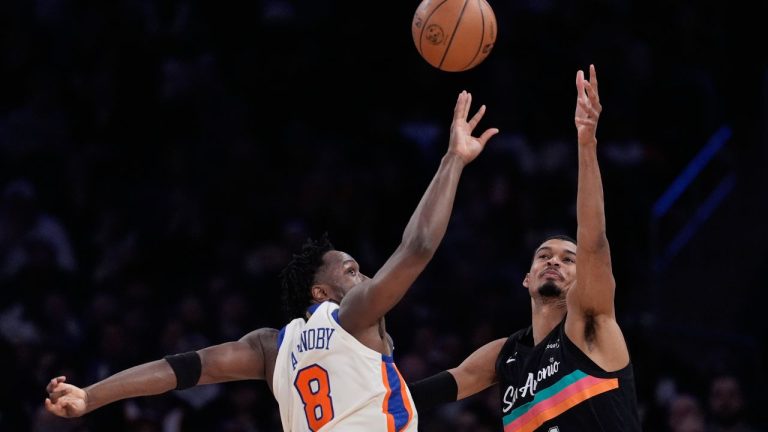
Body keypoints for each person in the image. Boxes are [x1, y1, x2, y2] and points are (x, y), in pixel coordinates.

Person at [43, 90, 499, 431]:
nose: (366, 276)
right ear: (321, 293)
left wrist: (90, 396)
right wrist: (453, 160)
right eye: (352, 270)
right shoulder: (354, 316)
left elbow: (180, 369)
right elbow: (417, 246)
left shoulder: (271, 347)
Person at [409, 65, 642, 431]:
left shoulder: (591, 325)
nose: (554, 261)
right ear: (526, 279)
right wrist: (368, 403)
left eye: (569, 260)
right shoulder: (507, 355)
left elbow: (594, 240)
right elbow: (443, 385)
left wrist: (586, 143)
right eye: (545, 256)